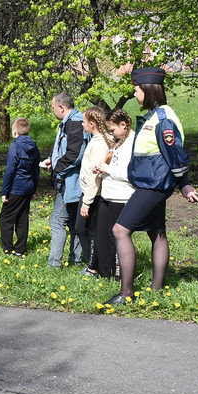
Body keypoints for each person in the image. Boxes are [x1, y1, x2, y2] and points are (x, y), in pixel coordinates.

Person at [105, 67, 198, 305]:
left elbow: (175, 155)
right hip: (151, 182)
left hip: (155, 185)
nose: (135, 94)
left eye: (137, 90)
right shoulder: (154, 115)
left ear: (148, 90)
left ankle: (126, 293)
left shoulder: (163, 119)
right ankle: (157, 290)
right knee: (157, 232)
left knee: (120, 230)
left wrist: (185, 185)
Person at [41, 92, 90, 268]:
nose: (53, 110)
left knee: (57, 221)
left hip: (72, 182)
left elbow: (74, 154)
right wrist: (51, 159)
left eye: (53, 107)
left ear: (61, 107)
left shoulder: (75, 123)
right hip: (73, 181)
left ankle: (54, 264)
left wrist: (56, 168)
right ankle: (75, 260)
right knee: (74, 223)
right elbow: (67, 149)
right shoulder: (74, 121)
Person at [92, 108, 135, 279]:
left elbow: (130, 174)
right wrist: (102, 170)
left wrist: (108, 169)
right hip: (107, 195)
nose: (111, 133)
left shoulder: (132, 143)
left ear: (123, 125)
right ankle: (105, 272)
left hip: (121, 197)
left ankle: (118, 273)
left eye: (112, 130)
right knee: (102, 234)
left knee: (115, 237)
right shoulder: (119, 142)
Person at [75, 107, 114, 277]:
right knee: (88, 230)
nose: (82, 124)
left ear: (92, 124)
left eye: (83, 122)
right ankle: (93, 265)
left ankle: (93, 266)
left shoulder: (99, 144)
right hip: (92, 194)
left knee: (86, 230)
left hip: (94, 195)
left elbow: (95, 176)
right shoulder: (99, 140)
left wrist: (87, 202)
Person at [0, 117, 40, 258]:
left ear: (15, 132)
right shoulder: (34, 146)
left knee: (6, 218)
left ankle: (8, 249)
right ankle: (20, 250)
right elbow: (36, 170)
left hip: (16, 188)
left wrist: (5, 191)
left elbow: (10, 170)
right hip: (28, 187)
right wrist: (34, 189)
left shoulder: (15, 146)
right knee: (23, 218)